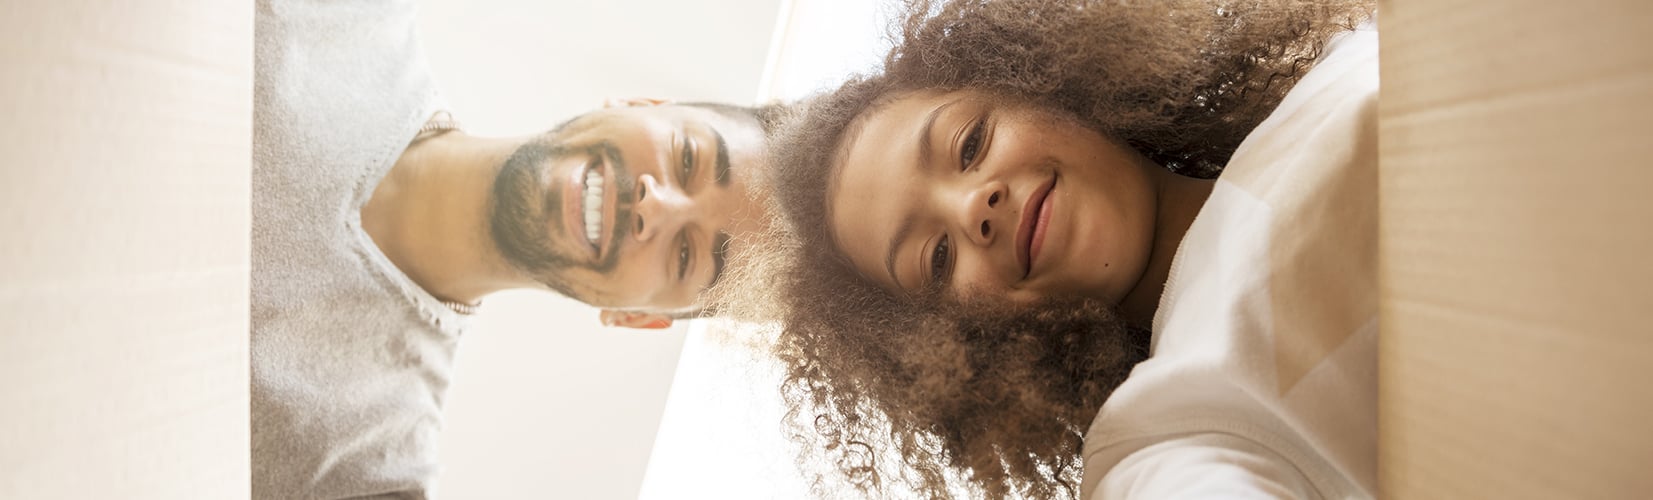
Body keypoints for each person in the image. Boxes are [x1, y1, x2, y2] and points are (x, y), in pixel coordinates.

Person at [753, 0, 1377, 498]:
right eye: (937, 259)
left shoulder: (1355, 53)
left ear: (1043, 86)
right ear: (957, 339)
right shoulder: (1164, 435)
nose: (974, 207)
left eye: (969, 144)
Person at [253, 0, 775, 497]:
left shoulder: (369, 475)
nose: (654, 206)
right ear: (640, 105)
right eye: (687, 158)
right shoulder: (341, 15)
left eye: (687, 255)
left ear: (635, 316)